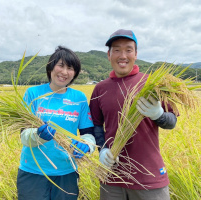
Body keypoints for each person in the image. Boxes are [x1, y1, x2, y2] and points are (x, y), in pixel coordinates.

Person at [89, 29, 177, 200]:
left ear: (136, 54)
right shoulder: (100, 88)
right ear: (108, 55)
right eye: (116, 50)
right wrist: (102, 149)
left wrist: (158, 115)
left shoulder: (153, 83)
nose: (123, 55)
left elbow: (171, 121)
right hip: (111, 178)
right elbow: (96, 125)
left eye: (128, 50)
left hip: (149, 178)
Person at [17, 46, 96, 200]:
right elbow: (23, 135)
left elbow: (88, 133)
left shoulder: (79, 98)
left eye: (70, 68)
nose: (64, 72)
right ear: (51, 67)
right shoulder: (33, 94)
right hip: (33, 171)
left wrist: (87, 145)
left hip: (67, 172)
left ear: (75, 73)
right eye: (61, 65)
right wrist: (38, 135)